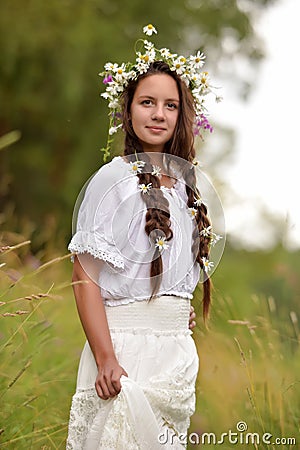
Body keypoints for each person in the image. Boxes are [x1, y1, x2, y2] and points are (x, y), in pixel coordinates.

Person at [66, 24, 223, 450]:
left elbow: (166, 272)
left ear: (182, 114)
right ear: (128, 109)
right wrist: (105, 358)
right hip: (125, 352)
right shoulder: (113, 180)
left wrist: (174, 308)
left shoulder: (187, 187)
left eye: (170, 105)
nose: (159, 114)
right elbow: (85, 276)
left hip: (173, 355)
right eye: (147, 102)